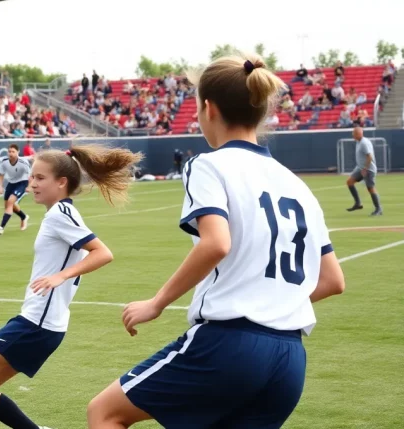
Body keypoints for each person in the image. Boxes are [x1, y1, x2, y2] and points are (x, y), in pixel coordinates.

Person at [87, 55, 346, 429]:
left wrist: (156, 303)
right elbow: (333, 281)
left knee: (104, 413)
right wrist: (273, 302)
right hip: (289, 360)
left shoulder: (208, 164)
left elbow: (215, 244)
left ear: (208, 108)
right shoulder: (299, 185)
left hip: (228, 346)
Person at [0, 144, 141, 429]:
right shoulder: (59, 213)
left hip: (37, 325)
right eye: (32, 177)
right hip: (44, 325)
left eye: (39, 178)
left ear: (61, 183)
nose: (31, 183)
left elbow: (103, 252)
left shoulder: (61, 214)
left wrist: (61, 276)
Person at [0, 144, 31, 235]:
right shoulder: (4, 161)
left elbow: (31, 175)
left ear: (18, 152)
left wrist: (29, 186)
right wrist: (0, 186)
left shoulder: (23, 162)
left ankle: (1, 228)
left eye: (13, 152)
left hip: (22, 183)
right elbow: (1, 174)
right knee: (8, 206)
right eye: (9, 151)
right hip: (11, 183)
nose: (11, 153)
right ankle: (24, 216)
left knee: (10, 202)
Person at [346, 126, 382, 216]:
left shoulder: (364, 143)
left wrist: (365, 168)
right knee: (350, 182)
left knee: (371, 188)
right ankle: (358, 203)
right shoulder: (359, 142)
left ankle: (378, 209)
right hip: (360, 168)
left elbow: (369, 156)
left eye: (354, 134)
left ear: (358, 134)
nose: (352, 136)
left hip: (368, 169)